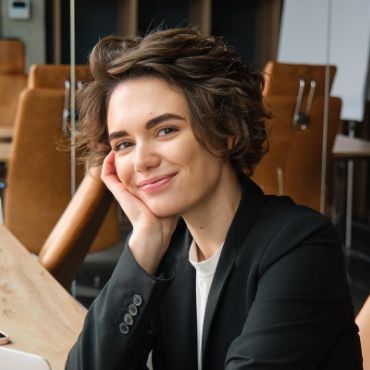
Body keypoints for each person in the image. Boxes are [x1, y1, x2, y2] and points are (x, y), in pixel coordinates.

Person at [66, 27, 362, 370]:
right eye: (124, 144)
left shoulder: (299, 247)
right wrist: (145, 241)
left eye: (165, 130)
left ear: (228, 133)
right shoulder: (167, 249)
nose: (142, 160)